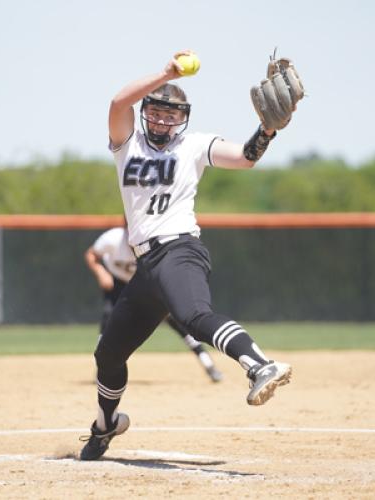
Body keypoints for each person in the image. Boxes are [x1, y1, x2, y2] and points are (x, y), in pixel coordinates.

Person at [80, 50, 295, 461]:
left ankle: (260, 365)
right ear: (146, 113)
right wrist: (164, 73)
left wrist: (267, 130)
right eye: (157, 112)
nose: (163, 121)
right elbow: (117, 103)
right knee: (107, 353)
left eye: (172, 115)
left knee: (195, 317)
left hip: (179, 249)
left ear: (184, 118)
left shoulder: (195, 145)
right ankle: (105, 426)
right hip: (147, 267)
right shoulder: (127, 143)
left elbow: (245, 158)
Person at [85, 225, 223, 382]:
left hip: (148, 282)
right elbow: (91, 255)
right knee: (109, 319)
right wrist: (101, 272)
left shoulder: (155, 240)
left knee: (180, 322)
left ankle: (209, 365)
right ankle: (102, 371)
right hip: (118, 284)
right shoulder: (113, 238)